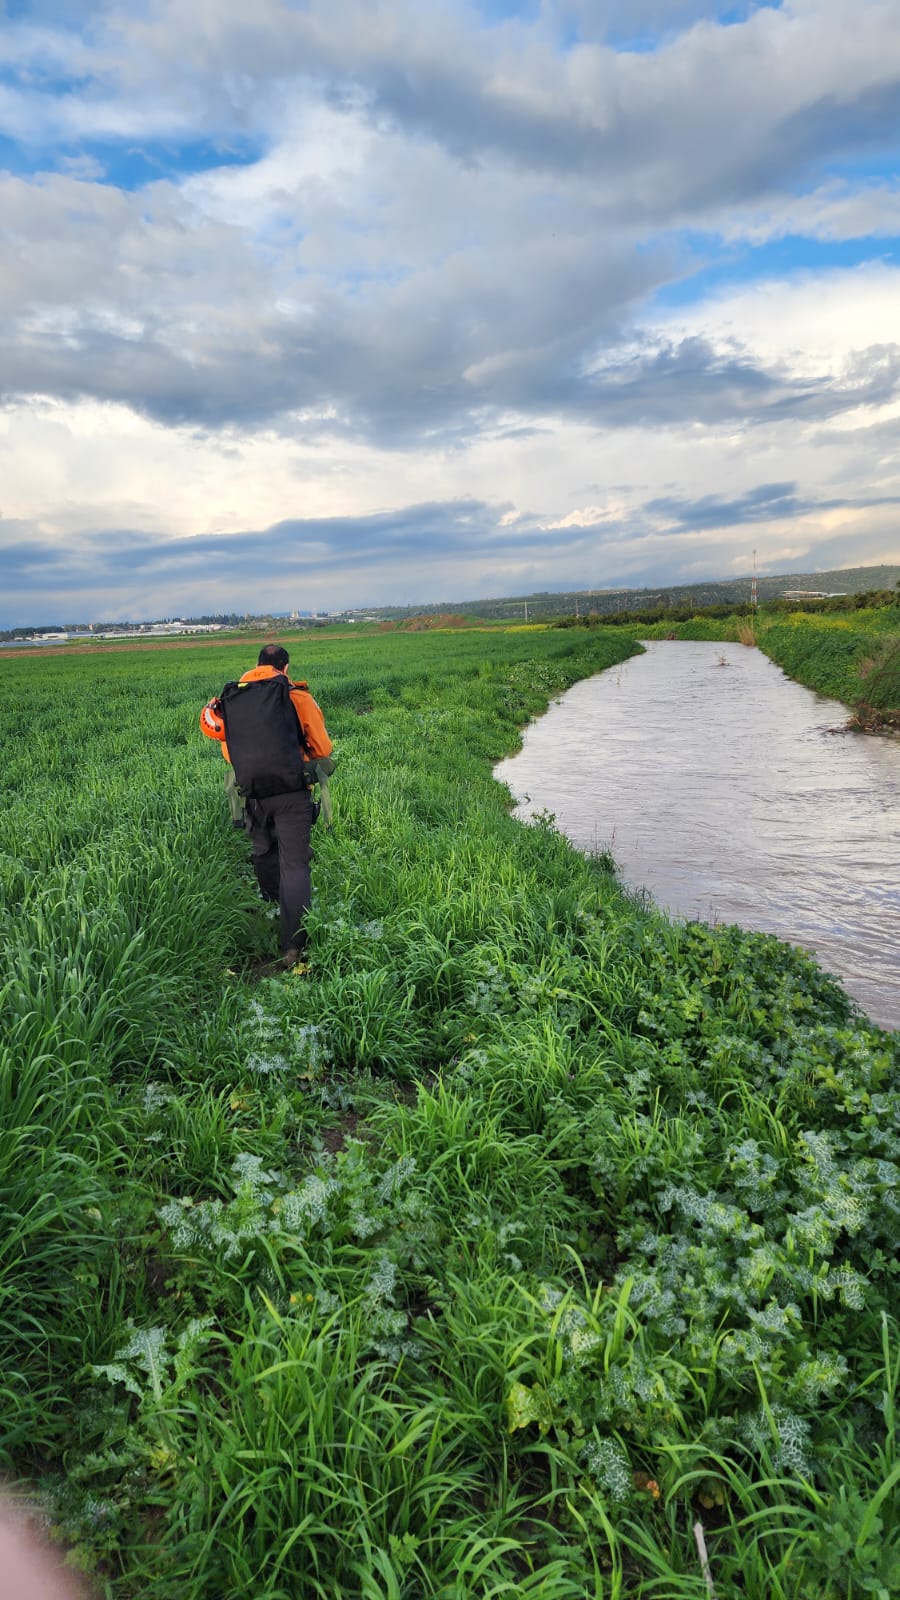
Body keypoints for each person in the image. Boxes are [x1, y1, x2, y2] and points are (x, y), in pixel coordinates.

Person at [200, 644, 333, 970]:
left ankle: (272, 904)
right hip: (291, 792)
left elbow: (211, 729)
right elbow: (322, 748)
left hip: (252, 792)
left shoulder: (233, 699)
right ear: (284, 668)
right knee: (295, 865)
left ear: (257, 665)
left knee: (262, 851)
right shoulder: (295, 696)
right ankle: (294, 946)